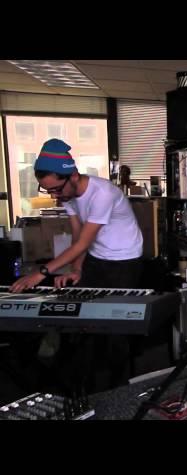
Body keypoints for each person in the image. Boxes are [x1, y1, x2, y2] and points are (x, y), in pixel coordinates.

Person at [10, 138, 144, 393]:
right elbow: (77, 235)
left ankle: (120, 392)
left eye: (56, 189)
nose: (53, 195)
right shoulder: (68, 195)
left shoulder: (102, 193)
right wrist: (76, 269)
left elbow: (82, 242)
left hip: (124, 261)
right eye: (47, 190)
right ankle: (80, 389)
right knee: (84, 323)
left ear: (72, 175)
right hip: (96, 257)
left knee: (116, 328)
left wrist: (42, 273)